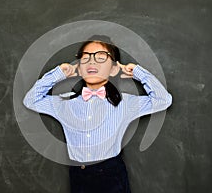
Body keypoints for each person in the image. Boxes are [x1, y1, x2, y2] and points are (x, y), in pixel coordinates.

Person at [23, 35, 172, 193]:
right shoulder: (64, 102)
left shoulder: (125, 103)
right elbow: (30, 100)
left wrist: (138, 72)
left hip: (111, 175)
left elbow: (163, 100)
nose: (92, 62)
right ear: (79, 68)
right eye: (85, 58)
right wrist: (58, 73)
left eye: (101, 57)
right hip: (78, 176)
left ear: (113, 68)